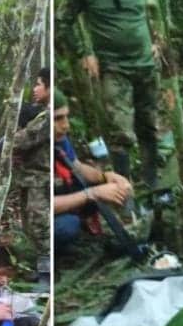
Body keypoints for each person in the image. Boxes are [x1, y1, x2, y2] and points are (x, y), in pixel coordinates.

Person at [57, 0, 160, 186]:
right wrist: (84, 54)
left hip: (146, 65)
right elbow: (62, 20)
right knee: (121, 133)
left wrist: (157, 39)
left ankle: (152, 183)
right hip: (114, 68)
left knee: (149, 126)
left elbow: (153, 9)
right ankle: (123, 191)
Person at [53, 91, 132, 251]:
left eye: (66, 117)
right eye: (57, 118)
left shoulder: (58, 138)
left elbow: (77, 167)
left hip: (59, 194)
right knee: (67, 226)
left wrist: (106, 177)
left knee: (104, 189)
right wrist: (92, 194)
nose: (66, 125)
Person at [12, 69, 51, 285]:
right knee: (29, 225)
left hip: (40, 179)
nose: (34, 89)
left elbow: (23, 139)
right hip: (28, 177)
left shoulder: (47, 117)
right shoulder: (40, 114)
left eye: (38, 84)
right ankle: (38, 269)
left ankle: (46, 276)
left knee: (40, 225)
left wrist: (11, 138)